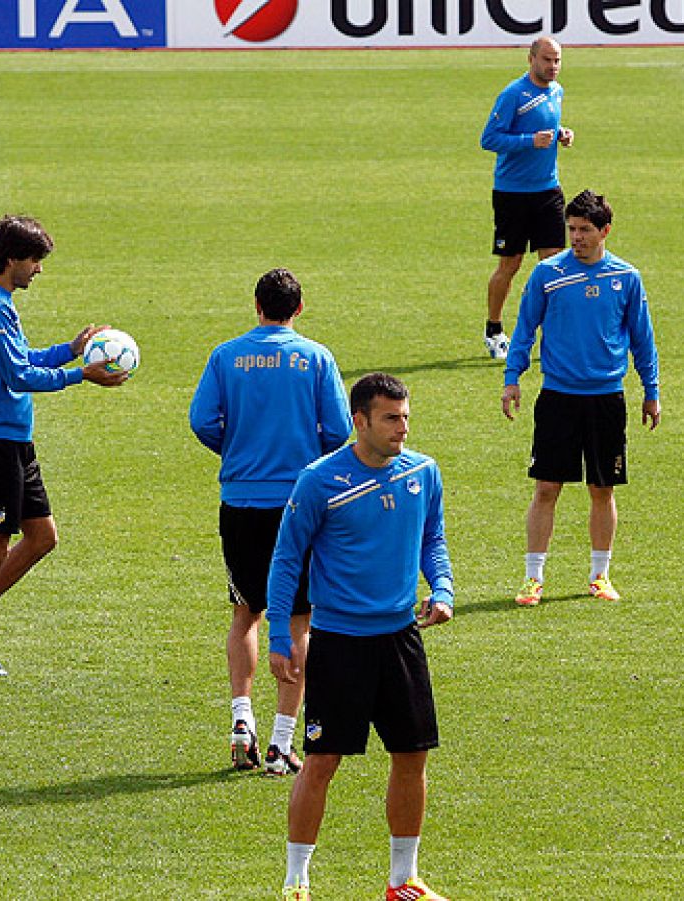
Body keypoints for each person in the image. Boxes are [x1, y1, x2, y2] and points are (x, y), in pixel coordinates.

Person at [266, 373, 454, 901]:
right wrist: (280, 634)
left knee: (412, 756)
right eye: (391, 418)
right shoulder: (320, 481)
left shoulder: (423, 472)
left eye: (406, 417)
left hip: (400, 640)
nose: (403, 428)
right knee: (322, 762)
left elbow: (432, 538)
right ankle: (296, 881)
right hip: (339, 642)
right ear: (360, 421)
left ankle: (402, 880)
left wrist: (442, 588)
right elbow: (286, 560)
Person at [0, 214, 127, 676]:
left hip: (13, 442)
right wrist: (80, 374)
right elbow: (18, 376)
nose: (38, 270)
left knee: (42, 538)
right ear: (11, 259)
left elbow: (22, 358)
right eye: (34, 261)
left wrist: (70, 349)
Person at [189, 267, 351, 775]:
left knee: (247, 612)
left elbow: (201, 421)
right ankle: (282, 742)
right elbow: (341, 430)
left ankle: (242, 717)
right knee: (300, 619)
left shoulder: (226, 356)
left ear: (255, 305)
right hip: (299, 506)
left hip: (240, 502)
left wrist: (236, 452)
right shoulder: (316, 357)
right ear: (298, 309)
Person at [501, 189, 660, 607]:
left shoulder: (626, 277)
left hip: (606, 398)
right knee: (546, 487)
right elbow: (524, 328)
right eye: (571, 229)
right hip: (557, 396)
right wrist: (512, 376)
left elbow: (643, 339)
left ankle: (600, 575)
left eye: (585, 230)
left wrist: (651, 392)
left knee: (602, 489)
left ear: (605, 230)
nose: (576, 237)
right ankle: (533, 578)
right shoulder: (548, 274)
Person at [479, 36, 574, 360]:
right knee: (511, 263)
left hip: (548, 189)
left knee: (553, 263)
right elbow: (489, 139)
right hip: (512, 193)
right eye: (547, 60)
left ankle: (554, 333)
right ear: (531, 59)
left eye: (557, 60)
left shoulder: (557, 91)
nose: (553, 67)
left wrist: (561, 133)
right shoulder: (513, 95)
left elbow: (549, 123)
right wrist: (528, 140)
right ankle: (494, 329)